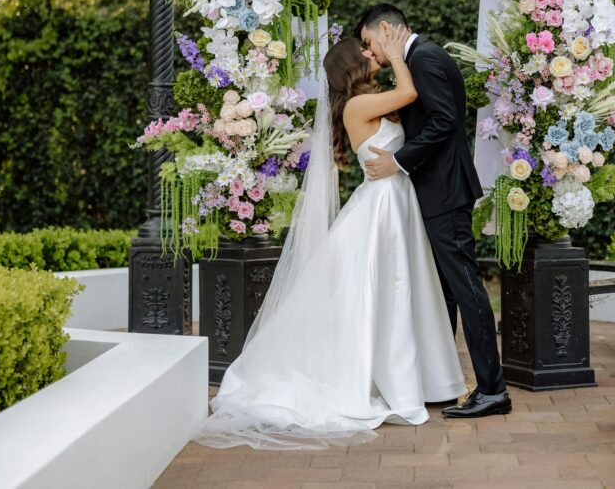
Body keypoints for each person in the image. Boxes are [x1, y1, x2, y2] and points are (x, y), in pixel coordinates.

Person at [194, 25, 467, 450]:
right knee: (385, 290)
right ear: (353, 66)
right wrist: (396, 53)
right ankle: (387, 380)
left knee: (404, 290)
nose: (369, 52)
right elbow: (410, 95)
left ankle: (421, 378)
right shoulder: (357, 106)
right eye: (364, 50)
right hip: (381, 208)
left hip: (397, 202)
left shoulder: (367, 101)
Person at [359, 4, 511, 419]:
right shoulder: (418, 57)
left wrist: (399, 160)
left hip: (444, 190)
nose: (369, 53)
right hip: (436, 191)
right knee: (445, 290)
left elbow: (444, 122)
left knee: (465, 286)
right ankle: (441, 380)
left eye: (369, 43)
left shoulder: (423, 58)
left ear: (386, 28)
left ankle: (493, 390)